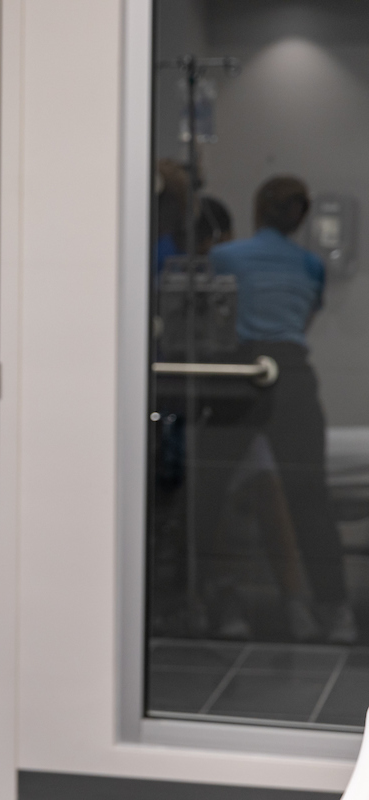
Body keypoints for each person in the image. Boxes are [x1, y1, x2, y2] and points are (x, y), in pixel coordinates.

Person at [197, 175, 356, 643]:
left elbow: (211, 317)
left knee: (207, 492)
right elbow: (302, 320)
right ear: (303, 217)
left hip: (238, 375)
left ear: (258, 209)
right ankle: (335, 611)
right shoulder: (311, 265)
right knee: (310, 497)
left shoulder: (225, 257)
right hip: (292, 375)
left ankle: (214, 600)